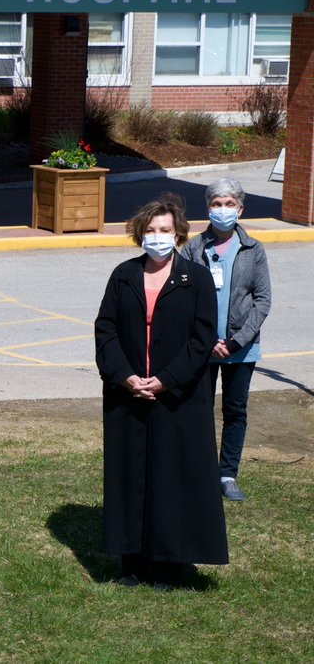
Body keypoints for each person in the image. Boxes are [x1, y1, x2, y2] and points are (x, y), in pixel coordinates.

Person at [94, 195, 226, 591]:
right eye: (150, 231)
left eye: (164, 231)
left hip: (177, 397)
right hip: (128, 394)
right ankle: (130, 562)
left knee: (172, 477)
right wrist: (125, 376)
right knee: (130, 475)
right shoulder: (123, 275)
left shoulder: (196, 278)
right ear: (140, 234)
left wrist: (166, 379)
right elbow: (106, 330)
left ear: (179, 234)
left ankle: (169, 565)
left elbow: (202, 339)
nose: (157, 238)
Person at [180, 178, 271, 503]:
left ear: (240, 209)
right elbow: (183, 297)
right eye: (216, 204)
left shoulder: (253, 249)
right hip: (202, 349)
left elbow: (262, 301)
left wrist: (234, 342)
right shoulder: (193, 247)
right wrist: (206, 340)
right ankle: (200, 471)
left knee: (235, 411)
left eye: (229, 204)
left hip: (240, 350)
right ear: (208, 207)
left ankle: (227, 473)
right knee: (198, 409)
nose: (222, 210)